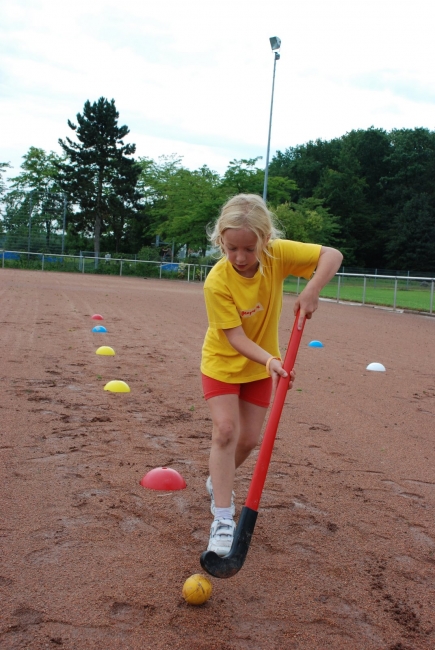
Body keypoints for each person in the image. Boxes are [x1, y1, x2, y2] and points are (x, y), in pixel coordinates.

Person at [200, 193, 343, 556]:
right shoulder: (217, 282)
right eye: (232, 248)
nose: (241, 257)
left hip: (262, 366)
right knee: (226, 431)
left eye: (249, 248)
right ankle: (222, 516)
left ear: (265, 240)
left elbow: (332, 255)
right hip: (223, 363)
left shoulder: (277, 255)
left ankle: (217, 481)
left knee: (248, 440)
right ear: (221, 240)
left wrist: (312, 289)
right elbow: (233, 337)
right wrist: (269, 362)